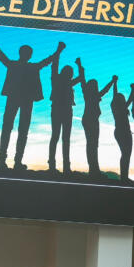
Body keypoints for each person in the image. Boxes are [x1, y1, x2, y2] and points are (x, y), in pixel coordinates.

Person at [0, 30, 60, 171]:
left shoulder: (20, 65)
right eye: (27, 53)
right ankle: (8, 161)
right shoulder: (24, 66)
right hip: (20, 99)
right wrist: (58, 51)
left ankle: (11, 161)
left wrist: (58, 51)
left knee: (15, 129)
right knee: (15, 129)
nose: (28, 55)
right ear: (26, 54)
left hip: (22, 99)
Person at [75, 58, 116, 177]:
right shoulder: (88, 93)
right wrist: (79, 65)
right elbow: (83, 79)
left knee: (93, 144)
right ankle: (93, 170)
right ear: (93, 86)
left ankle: (94, 169)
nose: (96, 86)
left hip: (91, 120)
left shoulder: (92, 94)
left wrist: (112, 82)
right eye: (95, 85)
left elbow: (105, 90)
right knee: (92, 144)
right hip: (89, 120)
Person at [48, 42, 81, 174]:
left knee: (63, 137)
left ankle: (65, 167)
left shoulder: (68, 82)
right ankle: (54, 166)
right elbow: (54, 64)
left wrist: (79, 65)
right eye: (69, 72)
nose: (70, 74)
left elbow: (80, 77)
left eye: (71, 72)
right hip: (58, 109)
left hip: (65, 110)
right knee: (57, 136)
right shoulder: (56, 79)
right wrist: (59, 50)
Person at [110, 77, 133, 183]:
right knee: (126, 155)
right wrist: (115, 83)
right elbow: (115, 95)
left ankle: (124, 177)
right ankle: (124, 177)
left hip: (121, 132)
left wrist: (133, 90)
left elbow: (129, 98)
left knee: (126, 154)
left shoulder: (119, 108)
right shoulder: (120, 108)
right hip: (123, 132)